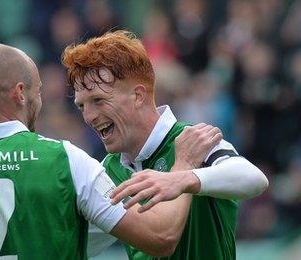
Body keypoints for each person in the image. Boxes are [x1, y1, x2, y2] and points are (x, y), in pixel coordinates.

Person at [0, 43, 222, 259]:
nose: (40, 102)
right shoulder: (67, 161)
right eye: (38, 91)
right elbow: (160, 237)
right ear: (21, 93)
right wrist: (182, 166)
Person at [61, 30, 269, 259]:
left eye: (98, 100)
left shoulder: (191, 140)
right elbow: (76, 244)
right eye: (82, 106)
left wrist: (183, 178)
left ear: (138, 96)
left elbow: (255, 179)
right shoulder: (108, 170)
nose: (89, 116)